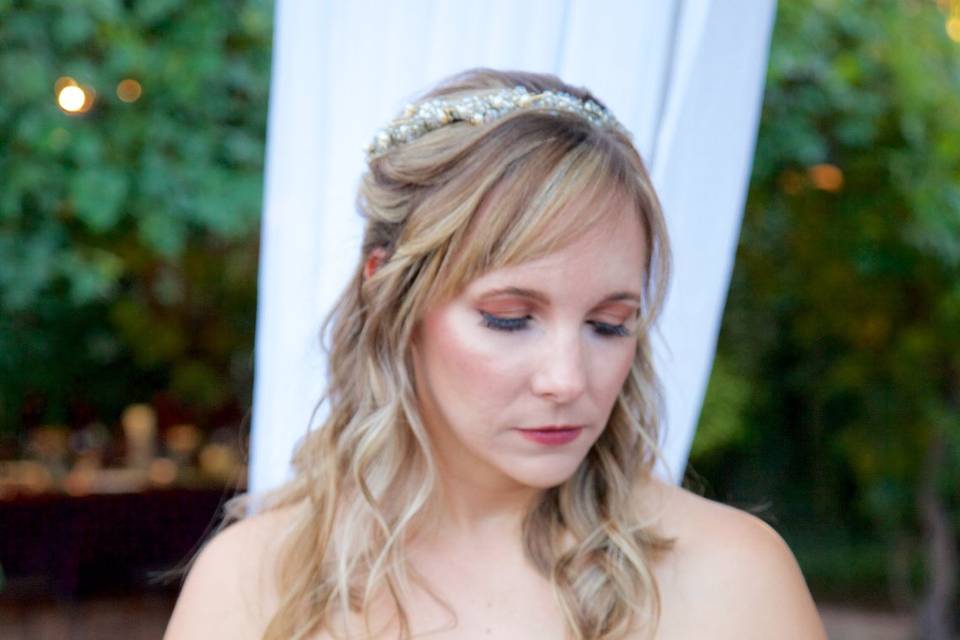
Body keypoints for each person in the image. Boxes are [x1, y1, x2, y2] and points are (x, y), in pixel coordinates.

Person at [164, 68, 827, 640]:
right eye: (510, 319)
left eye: (608, 324)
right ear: (391, 291)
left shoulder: (733, 578)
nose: (568, 381)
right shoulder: (254, 580)